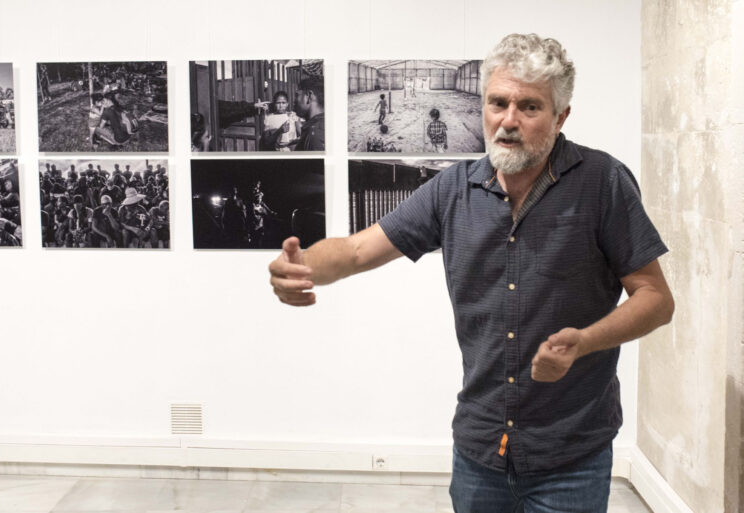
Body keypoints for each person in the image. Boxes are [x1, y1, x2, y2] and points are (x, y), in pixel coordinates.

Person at [268, 33, 674, 513]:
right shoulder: (452, 191)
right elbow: (357, 250)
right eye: (498, 103)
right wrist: (303, 266)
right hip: (481, 449)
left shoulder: (602, 182)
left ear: (561, 116)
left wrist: (585, 341)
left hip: (572, 453)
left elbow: (655, 298)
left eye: (529, 107)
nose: (508, 120)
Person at [293, 77, 325, 151]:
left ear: (309, 96)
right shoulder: (322, 125)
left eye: (297, 95)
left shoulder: (315, 134)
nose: (294, 101)